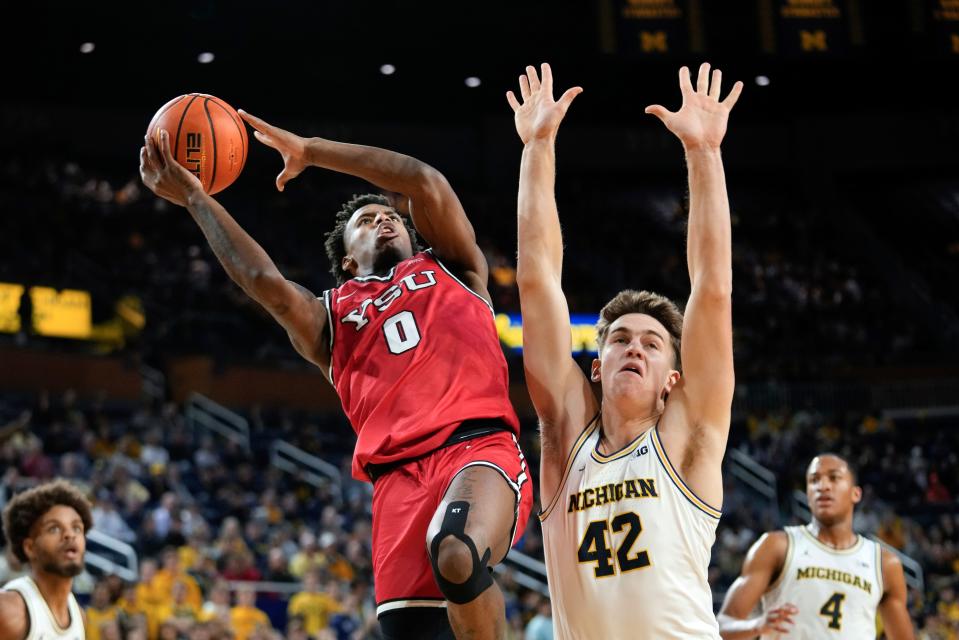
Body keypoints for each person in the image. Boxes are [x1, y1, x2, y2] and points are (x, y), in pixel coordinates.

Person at [139, 108, 532, 640]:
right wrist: (196, 199)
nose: (384, 219)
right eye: (366, 221)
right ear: (347, 261)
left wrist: (312, 150)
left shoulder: (455, 269)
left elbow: (422, 181)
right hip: (396, 481)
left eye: (388, 216)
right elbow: (262, 280)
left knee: (456, 550)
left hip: (478, 450)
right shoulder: (330, 317)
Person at [507, 61, 741, 638]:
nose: (635, 349)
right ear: (596, 365)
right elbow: (537, 280)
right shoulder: (565, 435)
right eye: (620, 339)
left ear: (673, 378)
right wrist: (537, 146)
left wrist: (704, 154)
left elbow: (711, 290)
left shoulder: (690, 439)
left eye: (654, 343)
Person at [717, 453, 915, 639]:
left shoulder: (884, 563)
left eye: (834, 478)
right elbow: (723, 625)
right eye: (814, 480)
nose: (823, 486)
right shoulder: (777, 546)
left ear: (856, 494)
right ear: (808, 494)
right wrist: (758, 625)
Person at [0, 479, 91, 639]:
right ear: (30, 548)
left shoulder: (79, 616)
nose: (70, 535)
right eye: (54, 528)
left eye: (76, 527)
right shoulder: (8, 610)